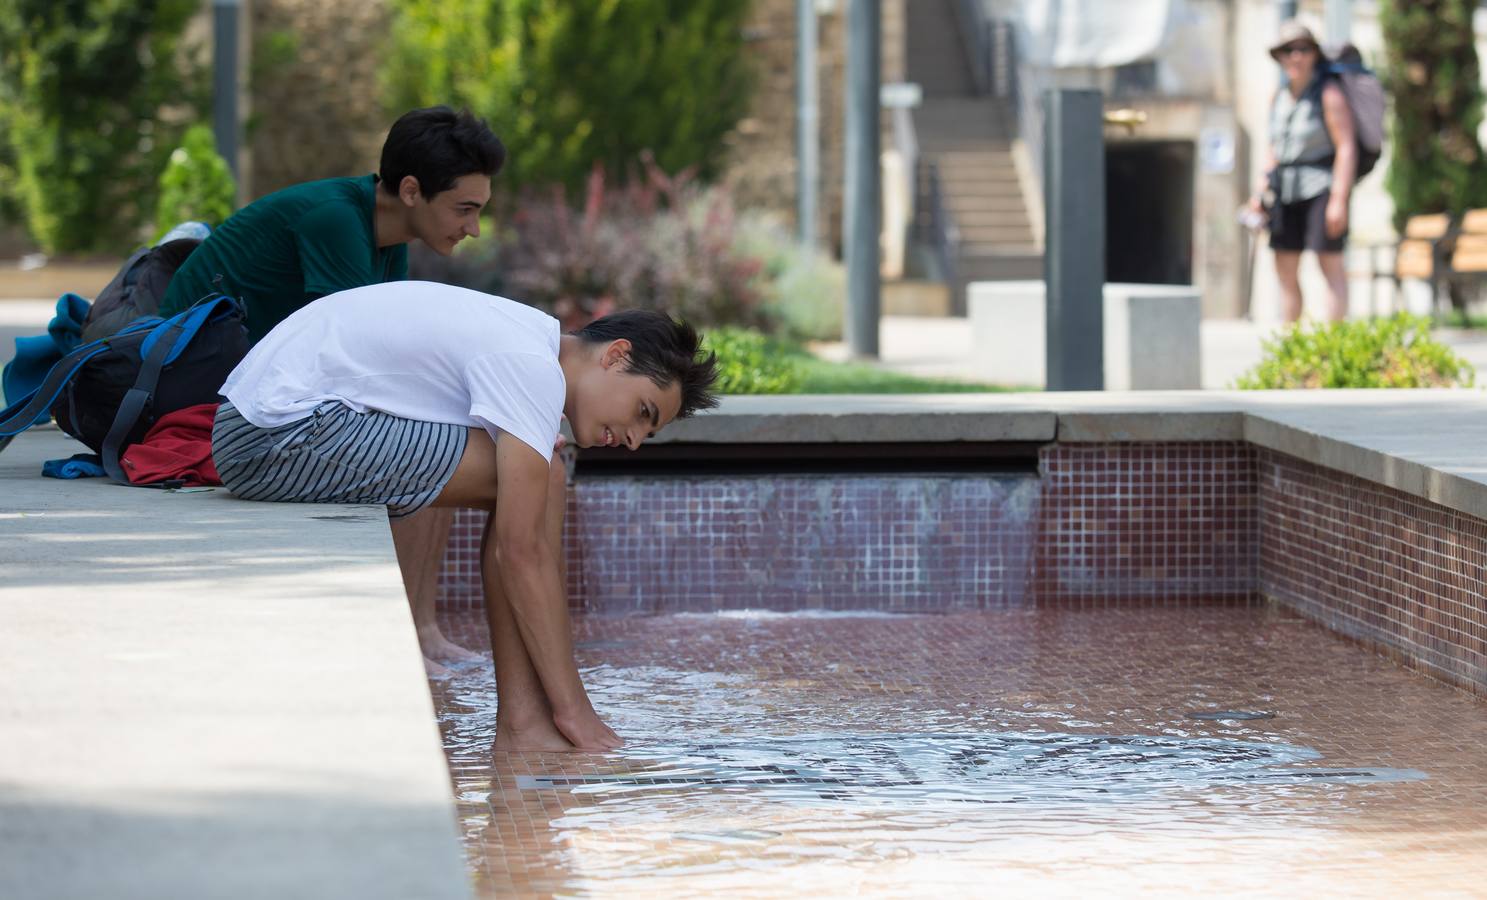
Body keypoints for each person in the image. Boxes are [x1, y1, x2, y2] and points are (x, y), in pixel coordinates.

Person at [210, 281, 719, 750]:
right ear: (615, 355)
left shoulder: (526, 340)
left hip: (267, 424)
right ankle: (534, 721)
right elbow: (519, 551)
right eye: (642, 413)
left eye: (646, 433)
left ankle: (525, 721)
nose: (632, 439)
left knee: (542, 477)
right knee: (540, 486)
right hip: (273, 435)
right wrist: (579, 714)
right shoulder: (529, 362)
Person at [160, 106, 506, 674]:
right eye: (465, 209)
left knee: (444, 431)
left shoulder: (387, 234)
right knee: (434, 445)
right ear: (413, 191)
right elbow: (362, 364)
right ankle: (411, 633)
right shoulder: (334, 220)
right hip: (200, 396)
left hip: (260, 392)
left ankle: (423, 628)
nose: (473, 228)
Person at [1249, 20, 1357, 323]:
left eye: (1303, 49)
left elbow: (1346, 147)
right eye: (1288, 50)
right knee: (1284, 269)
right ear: (1279, 56)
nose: (1295, 56)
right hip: (1284, 190)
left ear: (1314, 54)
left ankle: (1333, 345)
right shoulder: (1278, 97)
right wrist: (1260, 193)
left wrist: (1339, 199)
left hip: (1320, 187)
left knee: (1330, 265)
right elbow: (1273, 150)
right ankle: (1291, 346)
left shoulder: (1328, 94)